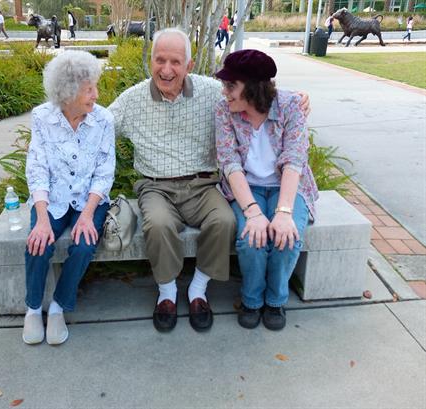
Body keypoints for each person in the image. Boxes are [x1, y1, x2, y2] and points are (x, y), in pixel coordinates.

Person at [108, 28, 310, 334]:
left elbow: (259, 93)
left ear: (189, 66)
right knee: (159, 224)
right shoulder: (132, 100)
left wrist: (300, 98)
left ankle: (198, 290)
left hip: (202, 185)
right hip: (156, 186)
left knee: (225, 221)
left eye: (175, 62)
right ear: (150, 61)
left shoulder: (212, 93)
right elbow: (99, 127)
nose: (166, 70)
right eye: (159, 60)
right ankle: (167, 294)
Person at [214, 49, 318, 332]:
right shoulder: (224, 110)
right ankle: (251, 300)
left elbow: (294, 159)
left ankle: (275, 300)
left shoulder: (290, 106)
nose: (225, 92)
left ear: (253, 86)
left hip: (288, 186)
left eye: (231, 85)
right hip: (246, 187)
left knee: (287, 235)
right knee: (252, 237)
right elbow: (229, 162)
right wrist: (252, 211)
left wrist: (283, 212)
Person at [22, 50, 116, 345]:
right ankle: (33, 309)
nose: (96, 95)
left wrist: (88, 215)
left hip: (90, 200)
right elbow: (36, 167)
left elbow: (105, 171)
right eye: (89, 89)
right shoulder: (42, 118)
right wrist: (40, 217)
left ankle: (59, 307)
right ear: (69, 91)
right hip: (53, 199)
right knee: (38, 243)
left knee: (84, 245)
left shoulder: (103, 120)